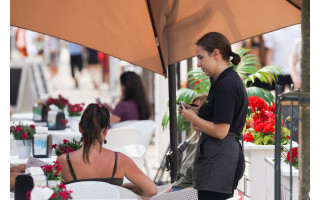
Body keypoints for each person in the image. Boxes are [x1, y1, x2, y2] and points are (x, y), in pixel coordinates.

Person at [179, 32, 248, 200]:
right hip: (218, 160)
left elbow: (221, 131)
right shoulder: (222, 81)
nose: (198, 64)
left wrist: (193, 118)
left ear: (216, 54)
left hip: (219, 161)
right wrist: (194, 111)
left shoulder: (226, 84)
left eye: (200, 57)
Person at [57, 103, 157, 198]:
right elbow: (152, 190)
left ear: (80, 128)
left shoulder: (64, 161)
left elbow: (57, 192)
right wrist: (121, 189)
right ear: (106, 130)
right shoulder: (119, 160)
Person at [163, 94, 208, 193]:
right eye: (192, 112)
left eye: (198, 112)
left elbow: (195, 186)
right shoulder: (198, 143)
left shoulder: (209, 146)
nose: (194, 117)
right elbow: (181, 182)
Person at [263, 24, 301, 91]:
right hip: (278, 71)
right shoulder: (272, 31)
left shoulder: (297, 29)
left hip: (294, 71)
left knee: (295, 98)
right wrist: (268, 72)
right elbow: (269, 53)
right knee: (278, 98)